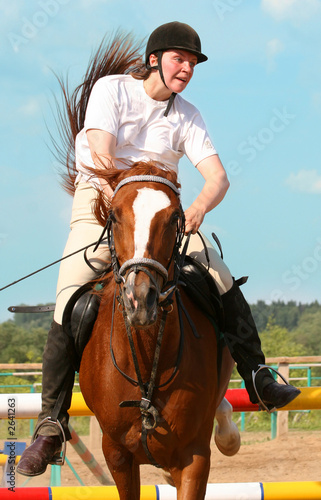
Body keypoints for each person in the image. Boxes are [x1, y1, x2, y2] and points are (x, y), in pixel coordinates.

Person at [17, 21, 300, 477]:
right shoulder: (112, 91)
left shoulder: (187, 114)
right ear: (154, 60)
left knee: (218, 275)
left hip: (163, 212)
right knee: (70, 294)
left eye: (192, 63)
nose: (186, 68)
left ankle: (257, 375)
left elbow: (217, 177)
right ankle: (51, 424)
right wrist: (142, 185)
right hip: (104, 206)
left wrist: (198, 209)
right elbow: (102, 153)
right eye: (179, 59)